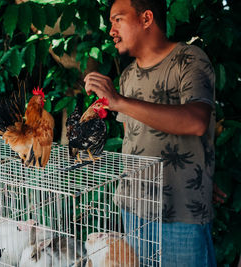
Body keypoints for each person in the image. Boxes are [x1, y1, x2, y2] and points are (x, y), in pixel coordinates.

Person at [84, 0, 216, 266]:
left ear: (146, 19)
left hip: (180, 211)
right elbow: (134, 138)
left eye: (117, 19)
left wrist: (119, 102)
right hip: (133, 208)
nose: (111, 30)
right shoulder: (128, 76)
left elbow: (196, 122)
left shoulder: (190, 59)